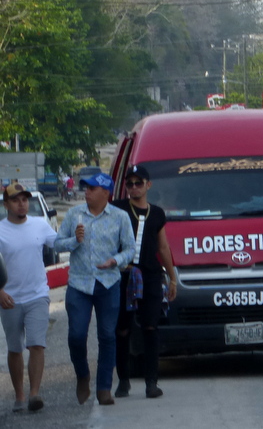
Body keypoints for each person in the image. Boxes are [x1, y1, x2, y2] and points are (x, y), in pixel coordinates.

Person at [54, 173, 135, 406]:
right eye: (86, 188)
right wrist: (74, 241)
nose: (87, 192)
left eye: (92, 188)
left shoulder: (120, 217)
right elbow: (57, 244)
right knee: (76, 335)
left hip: (108, 283)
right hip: (79, 284)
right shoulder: (74, 214)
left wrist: (115, 260)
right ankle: (82, 374)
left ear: (106, 193)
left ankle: (104, 388)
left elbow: (130, 249)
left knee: (107, 335)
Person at [111, 165, 177, 399]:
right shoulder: (118, 208)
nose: (134, 187)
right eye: (130, 183)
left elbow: (163, 246)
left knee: (150, 326)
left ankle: (151, 382)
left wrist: (172, 278)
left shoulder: (156, 213)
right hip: (124, 274)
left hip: (149, 275)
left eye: (138, 183)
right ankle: (123, 380)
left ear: (148, 185)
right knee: (122, 328)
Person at [0, 183, 57, 413]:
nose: (21, 204)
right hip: (10, 298)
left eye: (24, 200)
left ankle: (34, 394)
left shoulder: (39, 224)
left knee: (36, 344)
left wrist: (77, 237)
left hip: (37, 294)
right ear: (6, 205)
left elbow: (60, 243)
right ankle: (20, 395)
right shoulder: (1, 230)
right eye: (15, 200)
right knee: (15, 348)